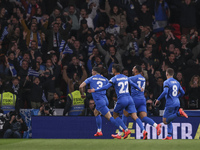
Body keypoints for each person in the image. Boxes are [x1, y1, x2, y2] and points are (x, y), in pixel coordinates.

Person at [88, 64, 148, 139]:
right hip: (130, 99)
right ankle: (143, 130)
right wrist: (140, 89)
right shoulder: (125, 77)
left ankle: (126, 130)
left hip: (122, 99)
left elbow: (106, 87)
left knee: (115, 115)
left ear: (114, 70)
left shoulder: (114, 78)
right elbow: (132, 84)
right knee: (134, 116)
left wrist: (95, 90)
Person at [113, 65, 161, 139]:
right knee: (144, 117)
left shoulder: (132, 78)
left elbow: (123, 80)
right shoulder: (143, 78)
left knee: (125, 114)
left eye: (133, 68)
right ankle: (156, 125)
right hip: (142, 100)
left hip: (134, 99)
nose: (132, 69)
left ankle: (120, 133)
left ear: (136, 70)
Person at [80, 67, 126, 137]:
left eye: (92, 71)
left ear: (94, 72)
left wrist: (82, 94)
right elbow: (110, 85)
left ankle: (123, 129)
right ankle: (99, 131)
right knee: (96, 112)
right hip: (105, 99)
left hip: (99, 101)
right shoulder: (104, 79)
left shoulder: (91, 78)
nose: (92, 73)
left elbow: (81, 86)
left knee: (109, 117)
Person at [155, 68, 188, 140]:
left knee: (165, 121)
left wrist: (158, 99)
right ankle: (169, 135)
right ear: (173, 74)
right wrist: (176, 97)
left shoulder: (166, 82)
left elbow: (165, 92)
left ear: (166, 74)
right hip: (177, 102)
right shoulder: (177, 82)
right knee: (170, 119)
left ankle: (179, 113)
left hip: (170, 103)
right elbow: (183, 92)